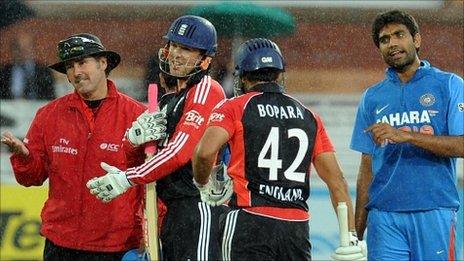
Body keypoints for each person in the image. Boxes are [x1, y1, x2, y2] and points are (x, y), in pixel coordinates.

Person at [192, 38, 366, 261]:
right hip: (296, 227)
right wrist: (350, 237)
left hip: (249, 218)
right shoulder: (309, 116)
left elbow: (204, 153)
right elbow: (337, 182)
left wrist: (202, 182)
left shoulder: (235, 106)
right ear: (279, 74)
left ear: (243, 76)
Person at [0, 33, 166, 260]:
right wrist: (25, 157)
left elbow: (154, 179)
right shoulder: (49, 115)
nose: (76, 72)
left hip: (117, 246)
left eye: (82, 63)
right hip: (61, 244)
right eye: (69, 66)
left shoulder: (137, 116)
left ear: (103, 63)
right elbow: (32, 178)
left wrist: (156, 229)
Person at [87, 15, 228, 260]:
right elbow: (141, 161)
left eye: (186, 48)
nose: (175, 53)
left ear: (205, 60)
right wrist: (132, 142)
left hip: (199, 207)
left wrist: (126, 179)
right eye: (173, 45)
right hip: (171, 210)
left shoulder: (207, 88)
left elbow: (180, 152)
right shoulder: (167, 101)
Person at [351, 10, 464, 261]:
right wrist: (356, 231)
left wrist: (407, 136)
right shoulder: (372, 97)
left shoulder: (449, 85)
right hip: (384, 217)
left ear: (417, 40)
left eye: (399, 35)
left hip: (434, 211)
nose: (392, 43)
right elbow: (366, 167)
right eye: (384, 39)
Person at [0, 32, 55, 100]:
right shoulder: (4, 72)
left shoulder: (44, 71)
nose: (23, 52)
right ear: (13, 50)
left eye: (27, 47)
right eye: (19, 48)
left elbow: (50, 98)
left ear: (33, 49)